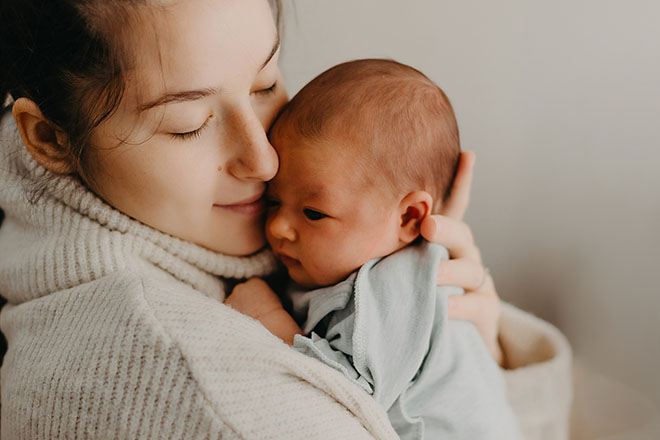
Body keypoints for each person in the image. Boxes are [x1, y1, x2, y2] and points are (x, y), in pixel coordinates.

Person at [0, 0, 572, 439]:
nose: (265, 158)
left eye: (266, 82)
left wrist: (474, 346)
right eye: (188, 123)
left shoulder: (226, 246)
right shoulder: (224, 402)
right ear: (50, 136)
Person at [227, 58, 523, 439]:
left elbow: (343, 400)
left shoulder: (392, 290)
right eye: (272, 202)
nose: (278, 227)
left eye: (314, 213)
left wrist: (270, 320)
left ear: (408, 217)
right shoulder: (355, 264)